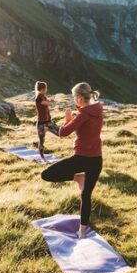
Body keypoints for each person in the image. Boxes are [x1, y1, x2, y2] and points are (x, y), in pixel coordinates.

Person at [40, 82, 103, 238]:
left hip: (81, 159)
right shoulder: (98, 110)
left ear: (80, 98)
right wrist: (71, 120)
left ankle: (77, 177)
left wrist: (57, 123)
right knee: (86, 195)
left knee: (47, 174)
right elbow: (84, 127)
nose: (74, 100)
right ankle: (82, 231)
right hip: (97, 160)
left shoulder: (83, 114)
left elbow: (63, 133)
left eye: (75, 97)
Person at [34, 81, 59, 162]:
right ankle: (43, 158)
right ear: (42, 89)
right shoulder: (38, 97)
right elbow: (47, 103)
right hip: (41, 123)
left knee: (59, 132)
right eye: (46, 88)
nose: (46, 90)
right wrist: (51, 101)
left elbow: (47, 101)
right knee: (42, 141)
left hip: (48, 121)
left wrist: (50, 100)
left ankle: (36, 144)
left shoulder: (42, 96)